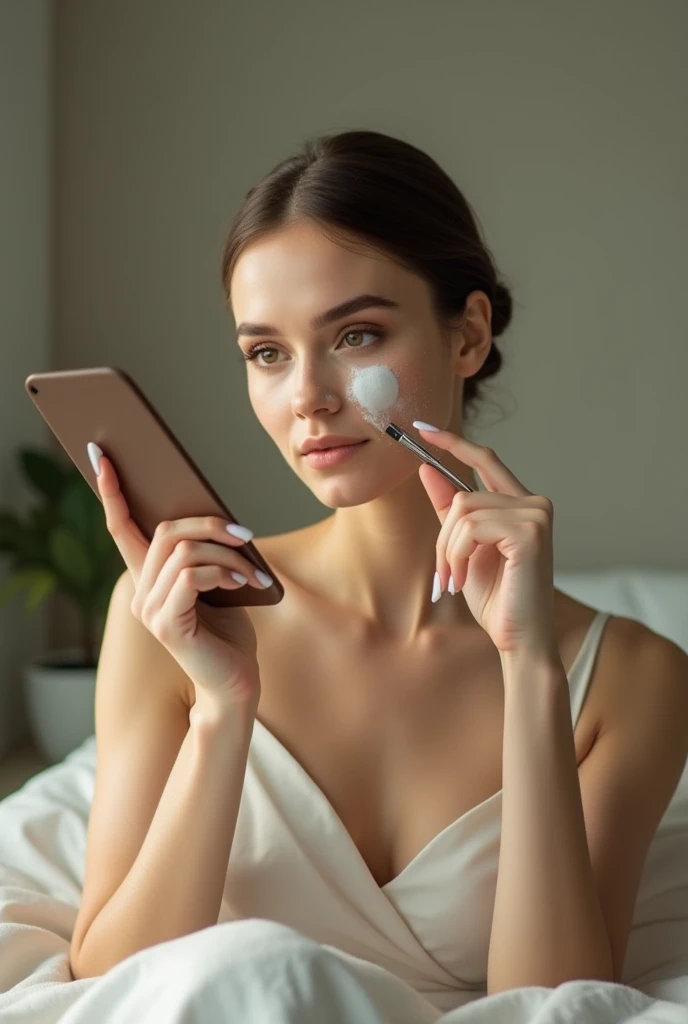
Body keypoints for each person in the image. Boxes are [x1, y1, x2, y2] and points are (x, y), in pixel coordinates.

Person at [68, 130, 688, 1018]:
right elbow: (111, 990)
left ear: (468, 333)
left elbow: (556, 1005)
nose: (308, 396)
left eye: (355, 335)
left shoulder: (634, 679)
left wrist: (529, 669)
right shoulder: (172, 614)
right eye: (267, 353)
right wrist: (222, 708)